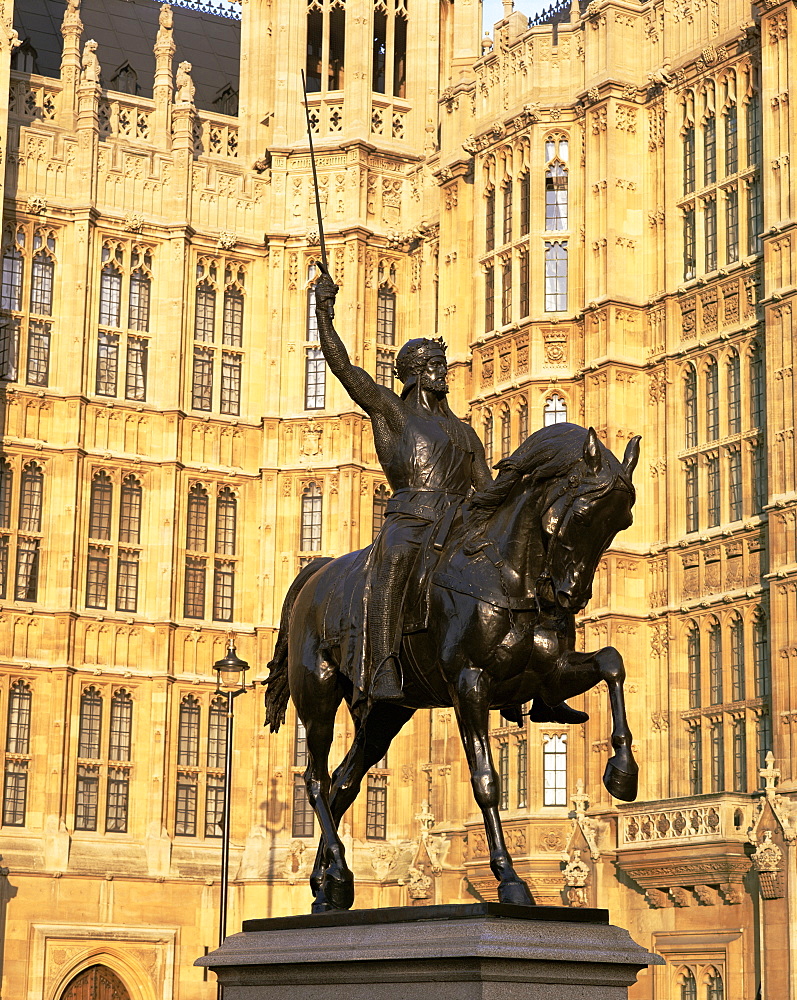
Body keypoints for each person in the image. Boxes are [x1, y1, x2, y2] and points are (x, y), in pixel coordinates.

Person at [314, 269, 586, 724]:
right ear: (418, 373)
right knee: (394, 559)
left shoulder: (463, 432)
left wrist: (530, 483)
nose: (446, 373)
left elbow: (488, 488)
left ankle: (542, 683)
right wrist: (324, 311)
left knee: (523, 571)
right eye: (438, 366)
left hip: (460, 525)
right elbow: (344, 368)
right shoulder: (393, 413)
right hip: (412, 519)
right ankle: (382, 665)